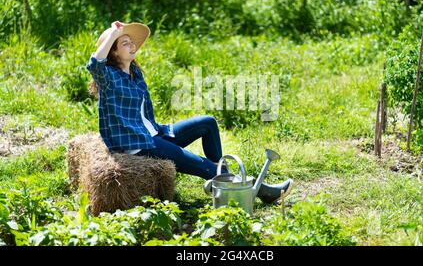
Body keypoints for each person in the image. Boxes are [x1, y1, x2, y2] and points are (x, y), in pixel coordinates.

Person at [86, 21, 292, 204]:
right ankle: (258, 190)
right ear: (113, 52)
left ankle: (222, 180)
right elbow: (95, 63)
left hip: (156, 134)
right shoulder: (109, 78)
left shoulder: (135, 73)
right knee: (207, 167)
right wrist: (113, 33)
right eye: (125, 43)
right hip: (138, 144)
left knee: (208, 123)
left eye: (132, 42)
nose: (132, 45)